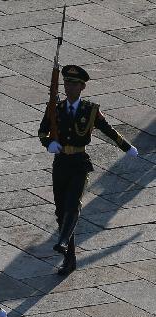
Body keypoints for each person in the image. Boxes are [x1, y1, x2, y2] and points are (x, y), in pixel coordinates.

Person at [38, 64, 139, 277]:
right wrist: (49, 144)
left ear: (82, 87)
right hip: (61, 163)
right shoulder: (55, 108)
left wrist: (127, 147)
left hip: (79, 163)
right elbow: (42, 131)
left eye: (74, 84)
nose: (69, 87)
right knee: (60, 210)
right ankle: (70, 258)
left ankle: (64, 242)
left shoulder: (90, 110)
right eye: (66, 83)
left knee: (73, 204)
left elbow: (108, 130)